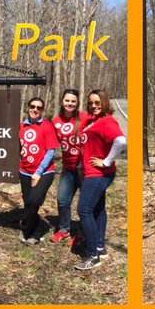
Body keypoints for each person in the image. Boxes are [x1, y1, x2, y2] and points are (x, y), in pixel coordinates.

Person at [75, 89, 126, 272]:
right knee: (97, 209)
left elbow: (120, 141)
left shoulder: (107, 121)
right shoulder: (91, 121)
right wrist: (81, 166)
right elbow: (87, 146)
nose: (94, 106)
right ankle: (99, 246)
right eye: (91, 103)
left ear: (105, 103)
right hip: (90, 171)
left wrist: (106, 161)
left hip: (99, 174)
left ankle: (92, 256)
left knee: (84, 209)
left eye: (98, 102)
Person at [17, 96, 56, 245]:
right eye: (32, 106)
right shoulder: (21, 126)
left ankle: (30, 231)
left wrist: (38, 172)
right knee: (28, 203)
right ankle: (35, 227)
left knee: (34, 202)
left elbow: (51, 151)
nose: (35, 110)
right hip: (24, 171)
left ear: (42, 110)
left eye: (39, 108)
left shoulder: (47, 126)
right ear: (28, 108)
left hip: (44, 172)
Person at [50, 88, 87, 243]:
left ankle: (83, 233)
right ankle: (64, 229)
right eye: (67, 100)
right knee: (63, 200)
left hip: (84, 169)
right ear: (62, 101)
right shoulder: (56, 120)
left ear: (77, 103)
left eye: (73, 101)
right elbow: (49, 142)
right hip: (68, 169)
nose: (70, 103)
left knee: (86, 204)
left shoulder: (85, 118)